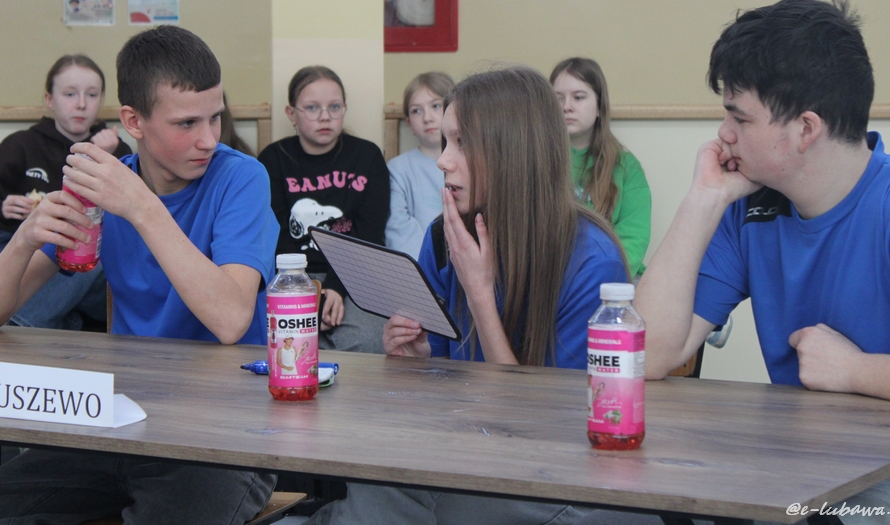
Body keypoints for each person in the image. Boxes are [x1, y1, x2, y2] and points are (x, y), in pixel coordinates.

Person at [0, 26, 279, 525]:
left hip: (225, 431)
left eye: (215, 117)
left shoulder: (240, 177)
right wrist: (26, 236)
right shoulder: (103, 189)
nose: (208, 138)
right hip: (122, 419)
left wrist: (142, 207)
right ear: (133, 121)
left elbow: (230, 319)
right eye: (186, 123)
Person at [305, 66, 628, 525]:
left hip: (545, 476)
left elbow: (541, 429)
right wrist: (416, 359)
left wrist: (479, 293)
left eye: (462, 144)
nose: (443, 161)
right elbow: (437, 397)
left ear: (513, 153)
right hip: (461, 452)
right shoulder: (445, 236)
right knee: (371, 474)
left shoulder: (591, 260)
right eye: (445, 142)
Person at [636, 0, 890, 522]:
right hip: (808, 475)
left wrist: (856, 371)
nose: (724, 133)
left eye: (739, 117)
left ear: (806, 128)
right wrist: (703, 200)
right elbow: (644, 357)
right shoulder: (750, 207)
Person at [0, 54, 131, 333]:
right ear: (49, 99)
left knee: (85, 251)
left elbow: (125, 219)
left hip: (85, 268)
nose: (81, 104)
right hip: (22, 264)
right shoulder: (22, 145)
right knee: (49, 268)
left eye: (92, 95)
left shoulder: (116, 150)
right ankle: (59, 321)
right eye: (70, 94)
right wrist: (0, 206)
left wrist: (99, 157)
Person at [258, 65, 390, 353]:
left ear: (345, 108)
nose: (325, 116)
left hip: (353, 274)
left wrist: (336, 288)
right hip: (291, 276)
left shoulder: (367, 156)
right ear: (291, 114)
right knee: (277, 341)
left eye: (334, 106)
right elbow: (275, 236)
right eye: (312, 108)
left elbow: (370, 235)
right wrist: (309, 293)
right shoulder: (273, 159)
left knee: (371, 341)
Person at [551, 58, 651, 278]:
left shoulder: (627, 168)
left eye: (578, 97)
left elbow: (634, 239)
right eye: (558, 99)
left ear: (599, 106)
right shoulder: (538, 163)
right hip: (553, 280)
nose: (566, 106)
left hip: (611, 277)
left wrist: (597, 278)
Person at [385, 72, 455, 258]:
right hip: (419, 264)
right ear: (409, 123)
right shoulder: (398, 169)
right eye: (417, 110)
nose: (427, 118)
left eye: (436, 106)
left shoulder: (472, 163)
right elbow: (397, 228)